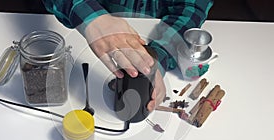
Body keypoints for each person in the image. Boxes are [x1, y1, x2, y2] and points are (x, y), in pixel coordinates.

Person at [41, 0, 214, 112]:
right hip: (76, 31)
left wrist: (158, 57)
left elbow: (192, 8)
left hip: (156, 33)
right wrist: (91, 17)